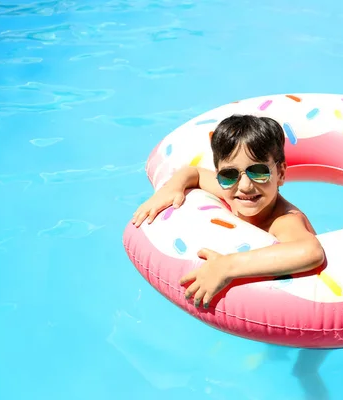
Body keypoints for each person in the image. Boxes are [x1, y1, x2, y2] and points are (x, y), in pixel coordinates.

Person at [132, 114, 325, 308]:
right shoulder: (231, 192)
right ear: (219, 177)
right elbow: (195, 172)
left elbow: (310, 251)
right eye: (229, 174)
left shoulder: (284, 221)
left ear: (281, 174)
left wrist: (227, 266)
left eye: (258, 172)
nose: (245, 186)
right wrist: (171, 188)